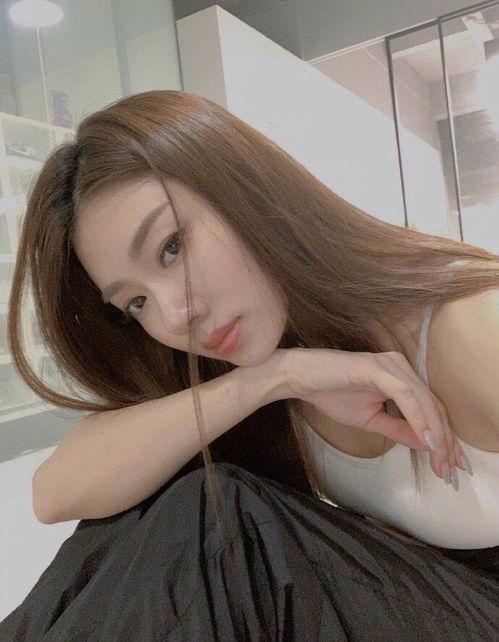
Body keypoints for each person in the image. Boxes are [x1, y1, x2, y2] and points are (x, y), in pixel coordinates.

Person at [1, 89, 498, 640]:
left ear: (244, 192)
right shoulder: (274, 373)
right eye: (136, 303)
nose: (175, 314)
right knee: (154, 507)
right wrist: (273, 377)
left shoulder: (472, 327)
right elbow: (54, 493)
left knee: (218, 516)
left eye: (171, 247)